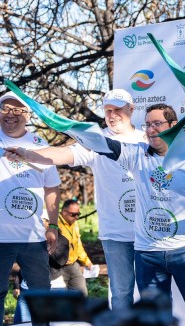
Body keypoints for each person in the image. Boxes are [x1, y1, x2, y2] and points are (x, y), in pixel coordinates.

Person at [7, 103, 185, 326]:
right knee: (156, 315)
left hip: (184, 252)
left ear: (172, 125)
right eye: (147, 124)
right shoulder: (137, 154)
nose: (150, 129)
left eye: (157, 124)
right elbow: (104, 145)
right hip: (148, 255)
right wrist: (30, 153)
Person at [4, 89, 145, 310]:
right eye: (108, 110)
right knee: (121, 292)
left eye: (118, 109)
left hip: (150, 233)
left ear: (132, 109)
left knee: (153, 293)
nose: (113, 114)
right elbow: (61, 154)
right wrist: (28, 154)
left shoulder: (148, 138)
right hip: (116, 234)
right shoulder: (97, 142)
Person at [0, 91, 61, 326]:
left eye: (17, 110)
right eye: (5, 109)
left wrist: (54, 226)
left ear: (27, 115)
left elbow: (52, 186)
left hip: (33, 238)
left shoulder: (40, 146)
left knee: (40, 294)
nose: (10, 115)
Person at [52, 199, 92, 296]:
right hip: (57, 267)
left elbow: (78, 245)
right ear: (64, 212)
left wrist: (86, 261)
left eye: (78, 214)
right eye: (73, 214)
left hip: (73, 265)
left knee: (82, 294)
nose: (77, 217)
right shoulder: (54, 224)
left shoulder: (75, 224)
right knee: (62, 299)